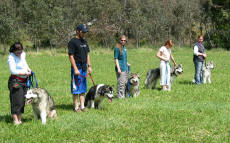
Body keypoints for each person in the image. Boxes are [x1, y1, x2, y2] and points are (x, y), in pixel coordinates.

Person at [68, 24, 92, 112]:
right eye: (83, 32)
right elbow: (71, 56)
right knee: (76, 89)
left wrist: (89, 66)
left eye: (85, 32)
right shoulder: (72, 42)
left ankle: (82, 106)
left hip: (84, 67)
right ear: (78, 31)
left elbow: (87, 55)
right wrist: (75, 69)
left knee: (83, 88)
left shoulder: (84, 42)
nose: (84, 34)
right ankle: (76, 107)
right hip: (77, 67)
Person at [8, 42, 31, 125]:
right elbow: (13, 71)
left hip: (24, 81)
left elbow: (24, 63)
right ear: (13, 51)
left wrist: (28, 69)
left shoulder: (23, 54)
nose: (19, 54)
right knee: (16, 101)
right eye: (17, 52)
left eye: (21, 51)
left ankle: (20, 120)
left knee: (21, 101)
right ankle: (15, 120)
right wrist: (24, 73)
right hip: (15, 81)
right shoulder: (11, 57)